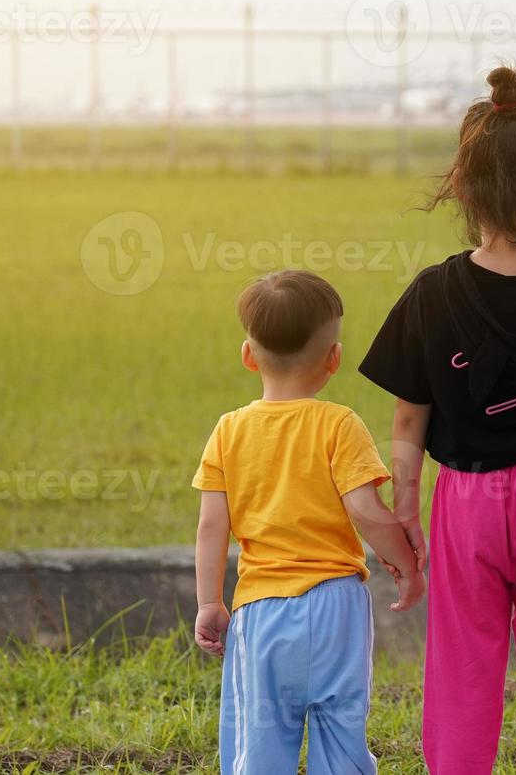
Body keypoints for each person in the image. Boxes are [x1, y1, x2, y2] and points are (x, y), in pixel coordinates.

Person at [360, 66, 516, 773]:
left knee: (464, 665)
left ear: (461, 185)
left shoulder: (434, 293)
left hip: (467, 497)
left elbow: (408, 421)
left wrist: (406, 508)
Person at [192, 269, 424, 775]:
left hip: (261, 612)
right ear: (334, 359)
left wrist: (210, 600)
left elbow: (212, 526)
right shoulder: (339, 424)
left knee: (260, 738)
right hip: (336, 603)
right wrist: (404, 564)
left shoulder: (228, 431)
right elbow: (365, 510)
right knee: (340, 729)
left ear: (248, 356)